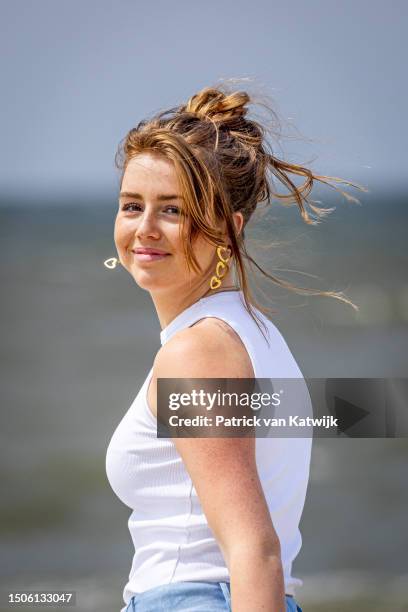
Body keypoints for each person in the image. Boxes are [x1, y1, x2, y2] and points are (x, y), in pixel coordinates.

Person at [105, 82, 365, 612]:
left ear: (229, 227)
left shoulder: (198, 351)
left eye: (173, 210)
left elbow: (255, 550)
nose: (144, 230)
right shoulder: (252, 332)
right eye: (133, 205)